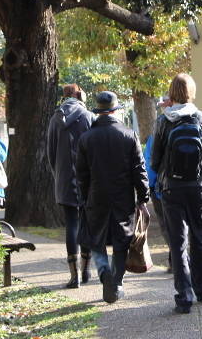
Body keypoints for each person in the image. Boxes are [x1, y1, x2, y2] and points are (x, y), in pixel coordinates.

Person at [151, 73, 202, 314]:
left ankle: (184, 296)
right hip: (199, 188)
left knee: (178, 243)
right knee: (198, 239)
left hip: (172, 188)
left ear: (172, 93)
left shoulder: (163, 121)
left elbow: (155, 159)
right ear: (191, 91)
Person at [76, 91, 149, 304]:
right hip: (122, 198)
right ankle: (116, 282)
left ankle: (104, 275)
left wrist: (84, 197)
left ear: (98, 112)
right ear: (116, 110)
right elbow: (139, 169)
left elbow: (81, 174)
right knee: (121, 242)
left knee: (96, 241)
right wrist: (143, 197)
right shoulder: (128, 134)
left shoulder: (86, 138)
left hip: (95, 197)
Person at [47, 83, 95, 289]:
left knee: (71, 224)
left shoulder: (55, 119)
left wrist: (57, 172)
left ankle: (73, 275)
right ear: (80, 95)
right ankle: (86, 268)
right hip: (87, 179)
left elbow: (50, 152)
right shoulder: (89, 117)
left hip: (64, 178)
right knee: (86, 222)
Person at [143, 95, 173, 273]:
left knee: (167, 225)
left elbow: (151, 160)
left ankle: (176, 261)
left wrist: (150, 185)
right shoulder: (197, 120)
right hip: (191, 186)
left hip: (163, 187)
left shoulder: (159, 127)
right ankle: (180, 260)